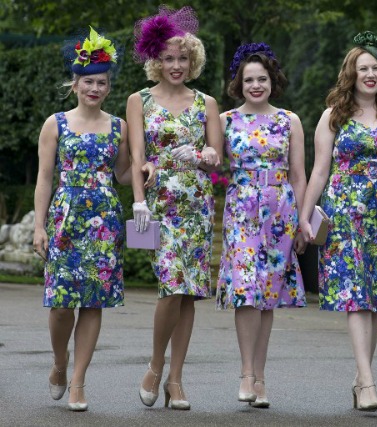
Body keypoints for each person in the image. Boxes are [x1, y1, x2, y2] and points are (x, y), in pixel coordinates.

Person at [33, 27, 153, 411]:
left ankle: (79, 382)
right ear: (76, 83)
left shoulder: (118, 126)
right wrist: (38, 226)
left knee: (93, 302)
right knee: (61, 305)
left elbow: (121, 174)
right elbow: (45, 178)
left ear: (108, 86)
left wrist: (142, 171)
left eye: (101, 82)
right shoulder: (56, 123)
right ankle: (59, 362)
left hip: (104, 220)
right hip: (65, 218)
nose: (95, 88)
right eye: (88, 82)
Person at [299, 31, 377, 412]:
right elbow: (319, 172)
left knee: (375, 298)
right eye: (363, 68)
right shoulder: (334, 115)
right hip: (344, 211)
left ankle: (362, 377)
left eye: (375, 68)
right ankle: (366, 381)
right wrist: (304, 215)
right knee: (354, 295)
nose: (370, 74)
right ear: (351, 74)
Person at [127, 6, 222, 410]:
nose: (177, 65)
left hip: (197, 203)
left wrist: (201, 153)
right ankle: (154, 365)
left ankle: (176, 381)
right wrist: (138, 202)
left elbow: (217, 155)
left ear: (193, 59)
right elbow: (136, 158)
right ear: (156, 60)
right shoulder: (139, 100)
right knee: (171, 287)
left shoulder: (207, 103)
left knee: (188, 294)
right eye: (169, 58)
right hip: (160, 204)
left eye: (183, 58)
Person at [215, 42, 307, 408]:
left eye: (262, 78)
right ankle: (245, 373)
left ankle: (262, 378)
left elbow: (299, 174)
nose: (256, 85)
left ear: (273, 80)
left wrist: (301, 220)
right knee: (244, 288)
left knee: (268, 296)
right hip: (241, 207)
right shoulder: (225, 120)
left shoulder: (289, 120)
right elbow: (211, 161)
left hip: (280, 207)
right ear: (239, 82)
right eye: (249, 79)